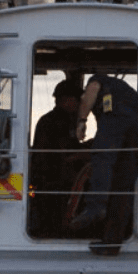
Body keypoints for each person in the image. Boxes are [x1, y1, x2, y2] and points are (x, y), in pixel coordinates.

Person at [69, 73, 138, 255]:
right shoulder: (125, 91)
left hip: (117, 119)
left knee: (102, 157)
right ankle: (111, 244)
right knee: (123, 187)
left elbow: (90, 94)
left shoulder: (97, 81)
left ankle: (95, 207)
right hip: (136, 130)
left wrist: (81, 122)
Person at [28, 76, 87, 238]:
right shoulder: (54, 122)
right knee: (54, 219)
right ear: (66, 100)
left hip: (55, 180)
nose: (78, 105)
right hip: (53, 181)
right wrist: (88, 151)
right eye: (76, 100)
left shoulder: (60, 120)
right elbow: (66, 154)